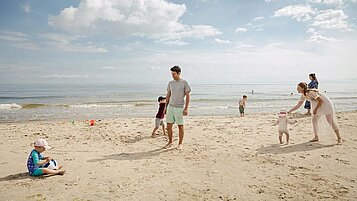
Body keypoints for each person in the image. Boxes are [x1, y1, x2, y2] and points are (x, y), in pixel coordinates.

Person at [164, 66, 191, 150]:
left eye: (174, 74)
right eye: (171, 74)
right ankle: (170, 142)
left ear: (179, 73)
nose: (172, 75)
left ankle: (180, 143)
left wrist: (186, 108)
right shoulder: (170, 83)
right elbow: (168, 95)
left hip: (179, 108)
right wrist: (165, 107)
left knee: (180, 126)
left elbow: (187, 96)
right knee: (168, 126)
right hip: (170, 107)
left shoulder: (184, 83)